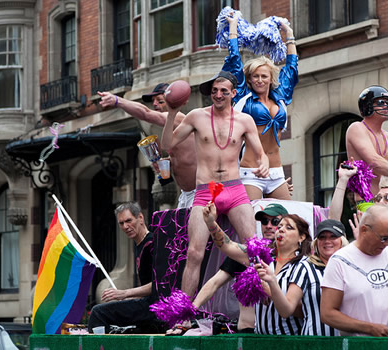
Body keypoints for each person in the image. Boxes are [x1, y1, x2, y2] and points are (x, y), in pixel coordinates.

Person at [160, 71, 269, 298]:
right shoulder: (196, 116)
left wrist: (264, 164)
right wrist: (171, 114)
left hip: (235, 190)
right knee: (194, 253)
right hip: (205, 192)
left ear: (234, 93)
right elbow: (166, 145)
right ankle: (183, 314)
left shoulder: (244, 120)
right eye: (214, 91)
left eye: (224, 91)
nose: (218, 95)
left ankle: (260, 306)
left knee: (254, 249)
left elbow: (261, 153)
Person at [165, 202, 289, 335]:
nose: (269, 226)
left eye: (275, 221)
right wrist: (189, 311)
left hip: (283, 333)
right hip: (248, 333)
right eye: (264, 221)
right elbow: (214, 282)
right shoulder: (249, 254)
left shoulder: (295, 259)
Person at [203, 202, 311, 334]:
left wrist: (269, 289)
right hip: (258, 337)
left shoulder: (305, 265)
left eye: (288, 227)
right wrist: (211, 224)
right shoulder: (259, 255)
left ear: (302, 236)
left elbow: (300, 310)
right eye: (280, 226)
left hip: (289, 339)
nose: (279, 229)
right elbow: (227, 246)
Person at [222, 14, 298, 201]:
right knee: (253, 223)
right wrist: (233, 27)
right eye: (255, 76)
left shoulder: (280, 98)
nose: (259, 80)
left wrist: (289, 35)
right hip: (251, 171)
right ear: (249, 79)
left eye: (264, 76)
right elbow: (234, 60)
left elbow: (292, 68)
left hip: (276, 171)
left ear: (271, 78)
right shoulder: (244, 97)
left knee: (285, 220)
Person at [320, 204, 388, 336]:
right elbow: (327, 314)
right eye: (383, 238)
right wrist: (369, 328)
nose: (387, 244)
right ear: (364, 230)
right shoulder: (340, 261)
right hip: (362, 344)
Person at [98, 84, 197, 208]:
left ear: (171, 101)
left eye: (160, 101)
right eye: (153, 101)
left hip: (198, 193)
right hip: (186, 194)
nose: (155, 104)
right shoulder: (171, 128)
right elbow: (186, 157)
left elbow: (145, 113)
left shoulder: (176, 117)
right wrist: (166, 162)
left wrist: (117, 101)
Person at [257, 219, 349, 335]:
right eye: (322, 237)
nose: (327, 241)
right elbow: (287, 309)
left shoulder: (352, 268)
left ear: (342, 240)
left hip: (348, 341)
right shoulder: (306, 267)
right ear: (316, 242)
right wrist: (273, 282)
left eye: (333, 236)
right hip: (314, 342)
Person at [88, 202, 163, 333]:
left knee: (98, 312)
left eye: (129, 220)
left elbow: (159, 284)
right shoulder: (140, 245)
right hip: (148, 305)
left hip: (156, 307)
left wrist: (124, 294)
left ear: (140, 218)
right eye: (121, 223)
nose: (125, 226)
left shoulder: (152, 243)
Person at [346, 86, 388, 199]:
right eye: (380, 102)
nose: (385, 106)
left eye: (387, 103)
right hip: (367, 203)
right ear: (367, 106)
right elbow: (375, 162)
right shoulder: (356, 128)